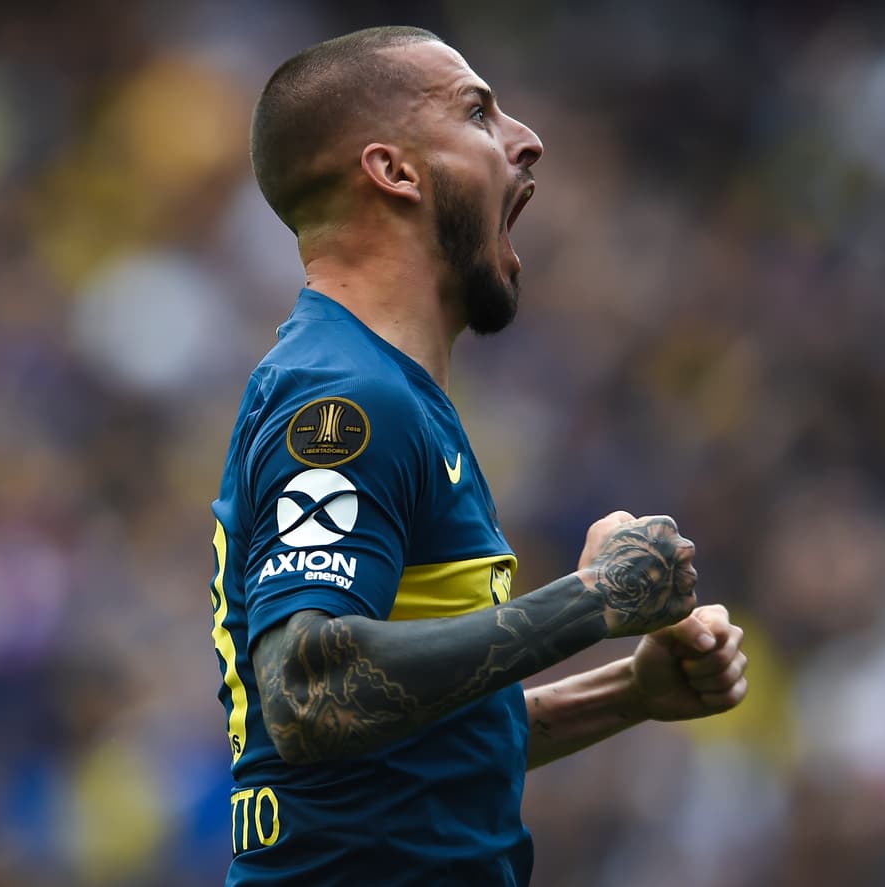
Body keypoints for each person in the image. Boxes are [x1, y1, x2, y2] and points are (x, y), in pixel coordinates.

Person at [208, 25, 749, 886]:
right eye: (477, 111)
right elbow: (311, 692)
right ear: (395, 172)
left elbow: (406, 741)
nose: (527, 138)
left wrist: (626, 694)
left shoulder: (389, 390)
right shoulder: (346, 397)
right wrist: (596, 599)